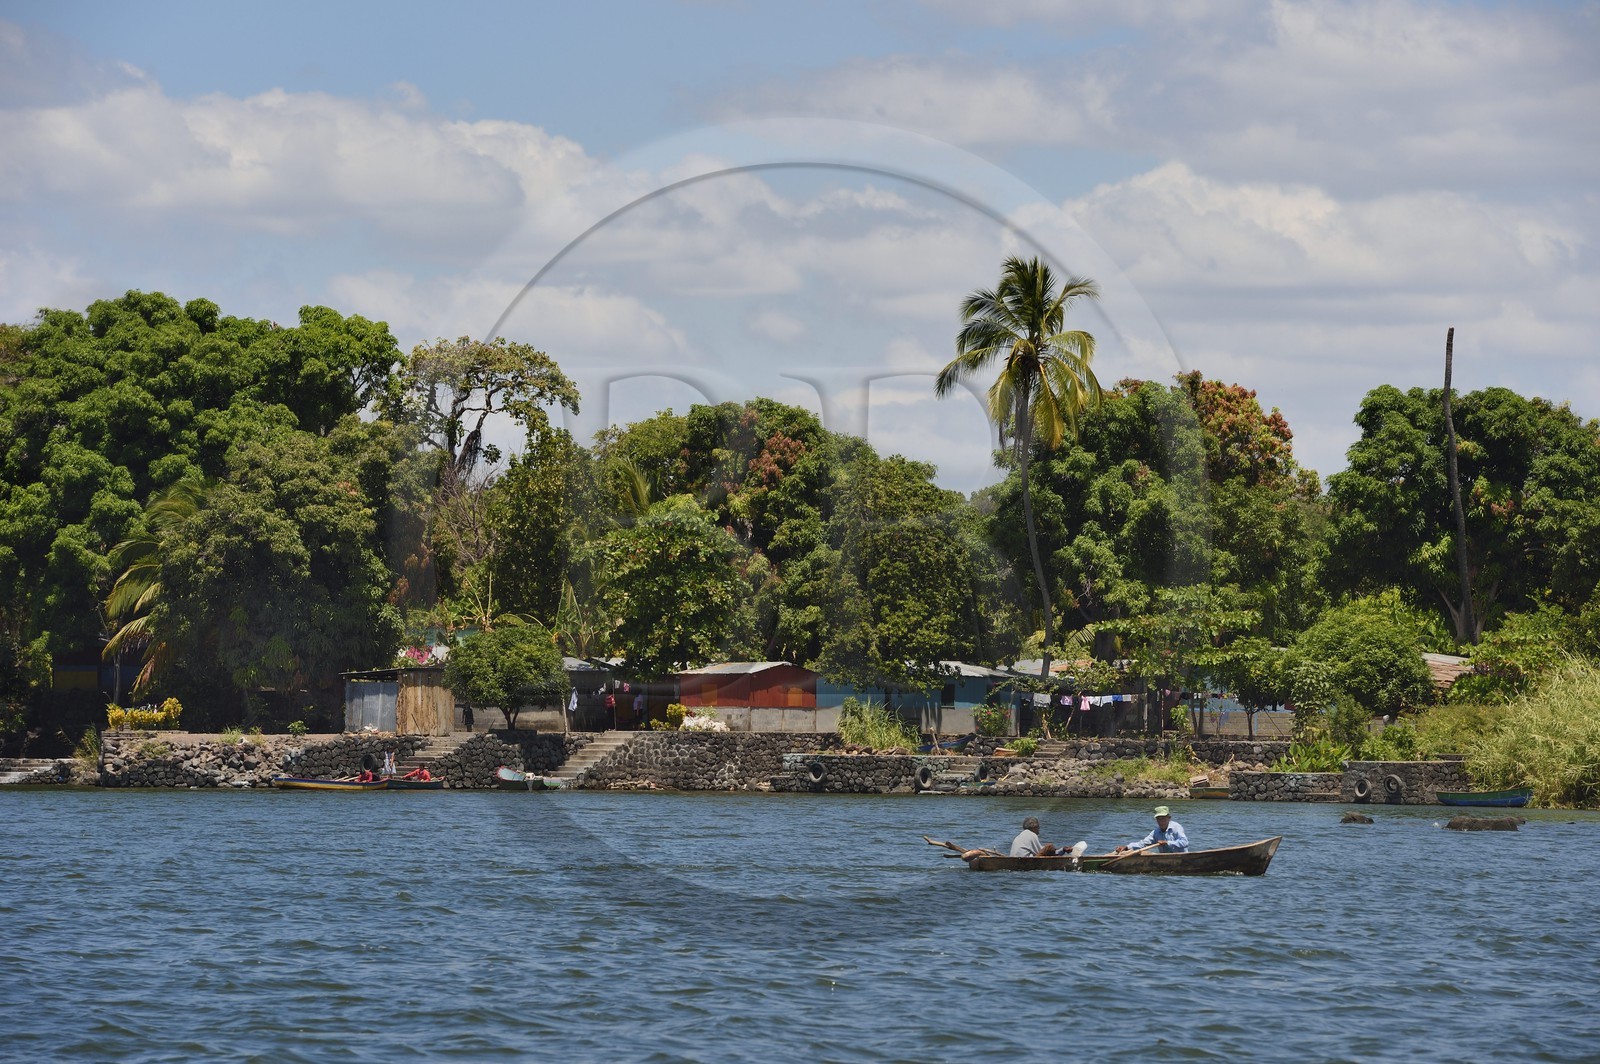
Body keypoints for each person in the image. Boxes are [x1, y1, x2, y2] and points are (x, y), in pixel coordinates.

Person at [1114, 805, 1189, 853]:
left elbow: (1185, 842)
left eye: (1163, 818)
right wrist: (1127, 847)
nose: (1160, 821)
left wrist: (1167, 843)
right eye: (1158, 819)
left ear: (1169, 818)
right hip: (1164, 858)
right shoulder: (1156, 832)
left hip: (1180, 857)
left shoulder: (1176, 827)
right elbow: (1143, 843)